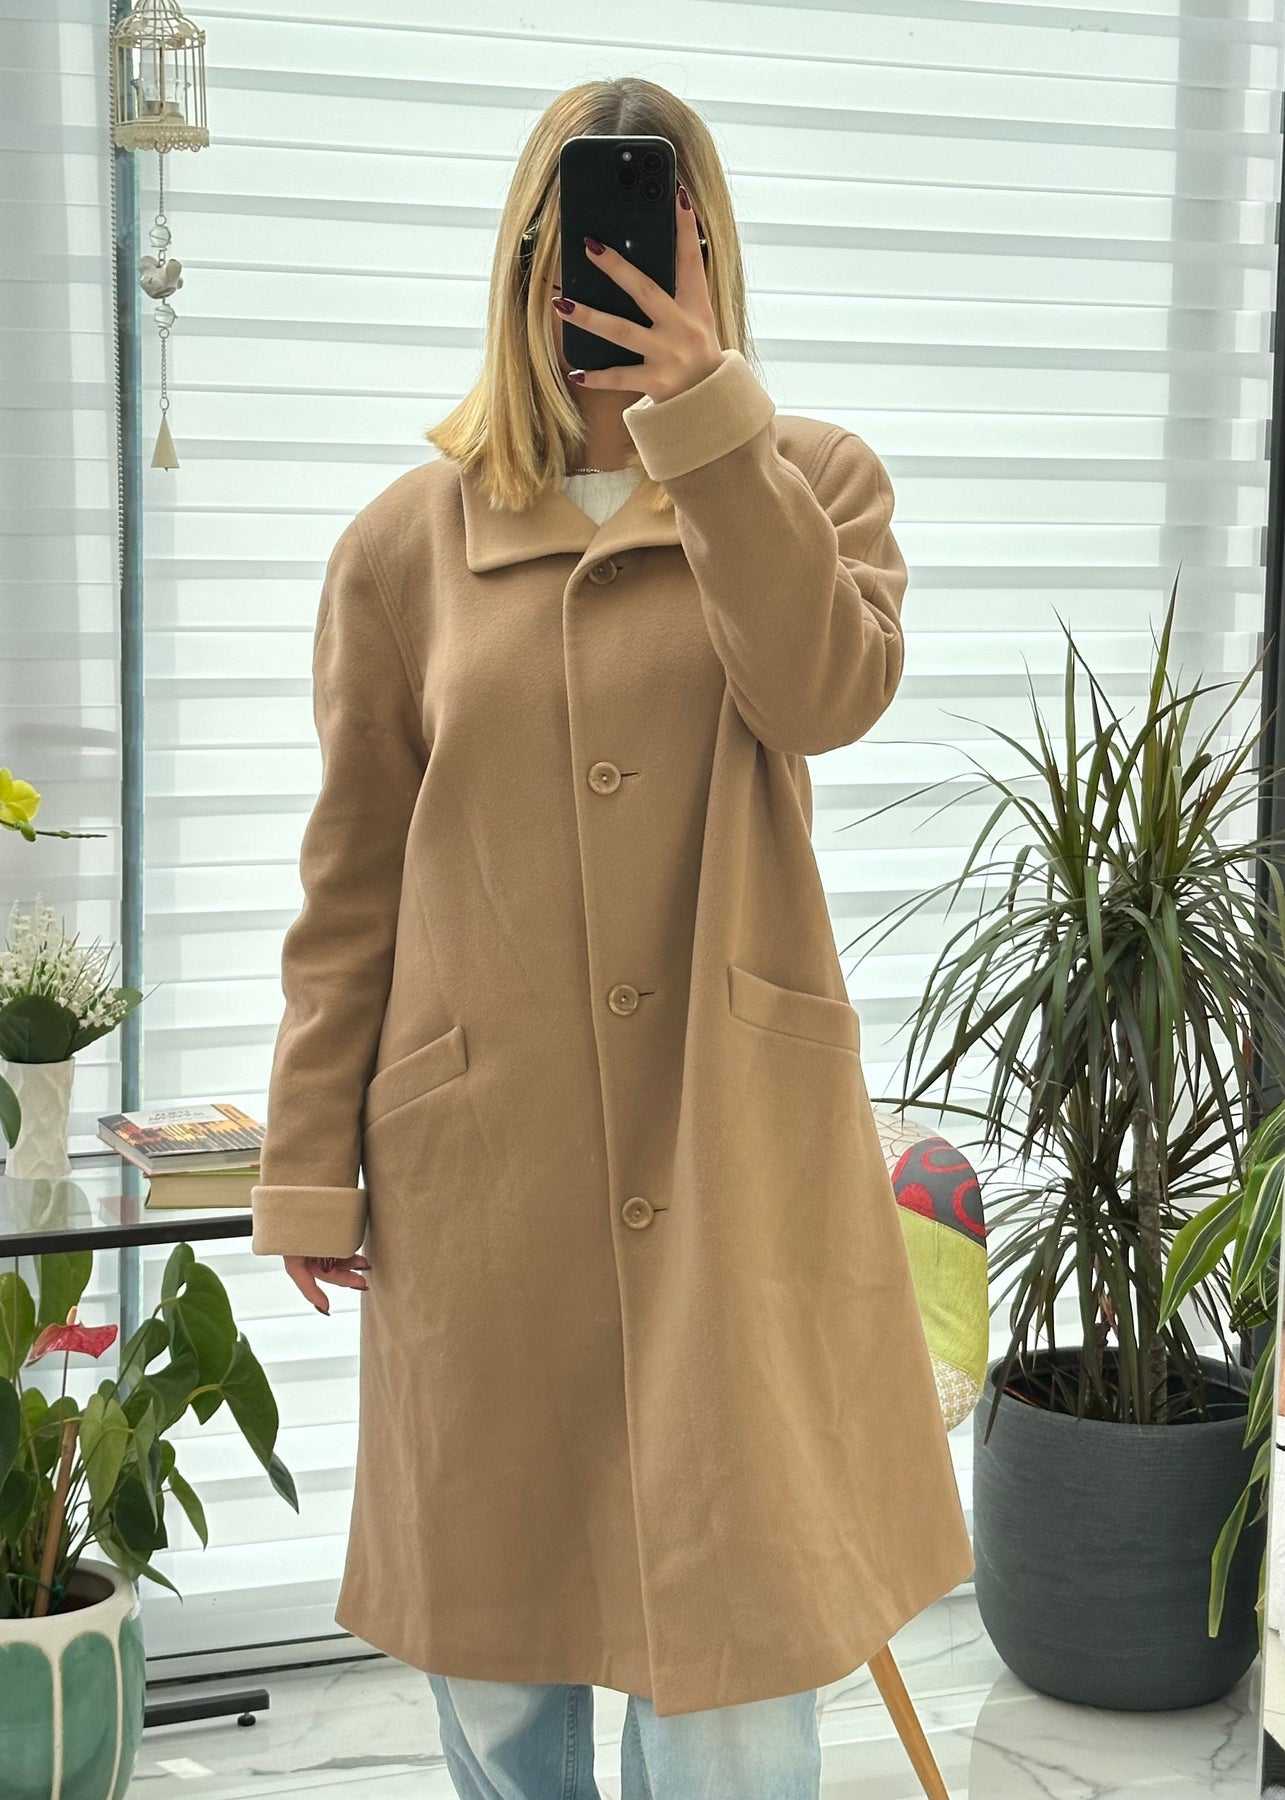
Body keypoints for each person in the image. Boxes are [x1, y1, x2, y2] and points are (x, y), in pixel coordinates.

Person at [250, 75, 975, 1800]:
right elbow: (351, 877)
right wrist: (306, 1158)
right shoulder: (404, 547)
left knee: (731, 1679)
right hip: (483, 1171)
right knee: (499, 1675)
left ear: (710, 254)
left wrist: (706, 426)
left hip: (729, 1158)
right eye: (586, 240)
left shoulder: (806, 482)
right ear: (528, 260)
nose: (625, 272)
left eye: (664, 236)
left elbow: (822, 694)